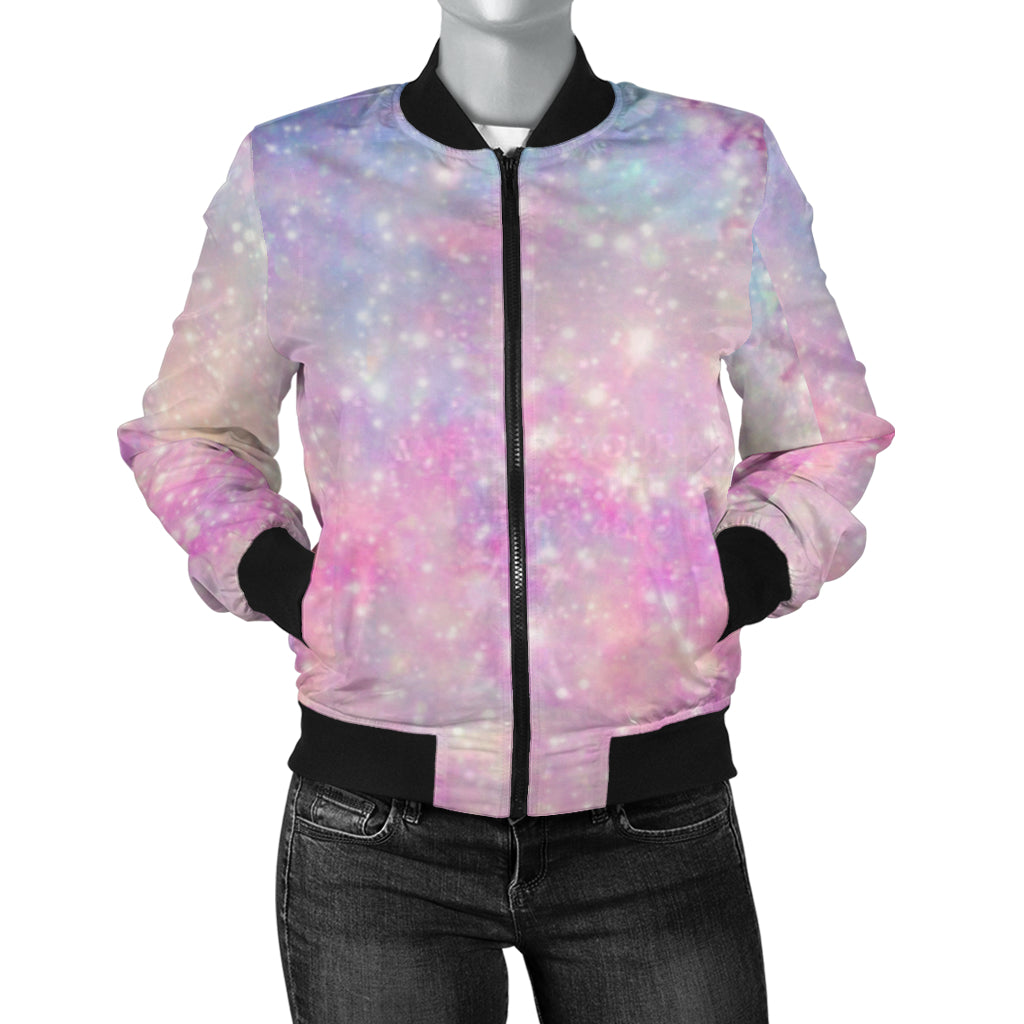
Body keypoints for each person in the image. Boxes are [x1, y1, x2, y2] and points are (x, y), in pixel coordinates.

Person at [116, 1, 894, 1020]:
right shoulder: (298, 169)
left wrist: (720, 584)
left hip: (651, 818)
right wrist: (299, 588)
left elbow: (824, 433)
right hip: (375, 833)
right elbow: (192, 432)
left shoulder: (714, 165)